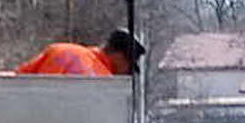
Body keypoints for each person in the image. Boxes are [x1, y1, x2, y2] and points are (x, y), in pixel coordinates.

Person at [15, 29, 147, 75]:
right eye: (129, 65)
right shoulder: (104, 82)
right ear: (119, 56)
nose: (126, 72)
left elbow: (19, 77)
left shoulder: (61, 49)